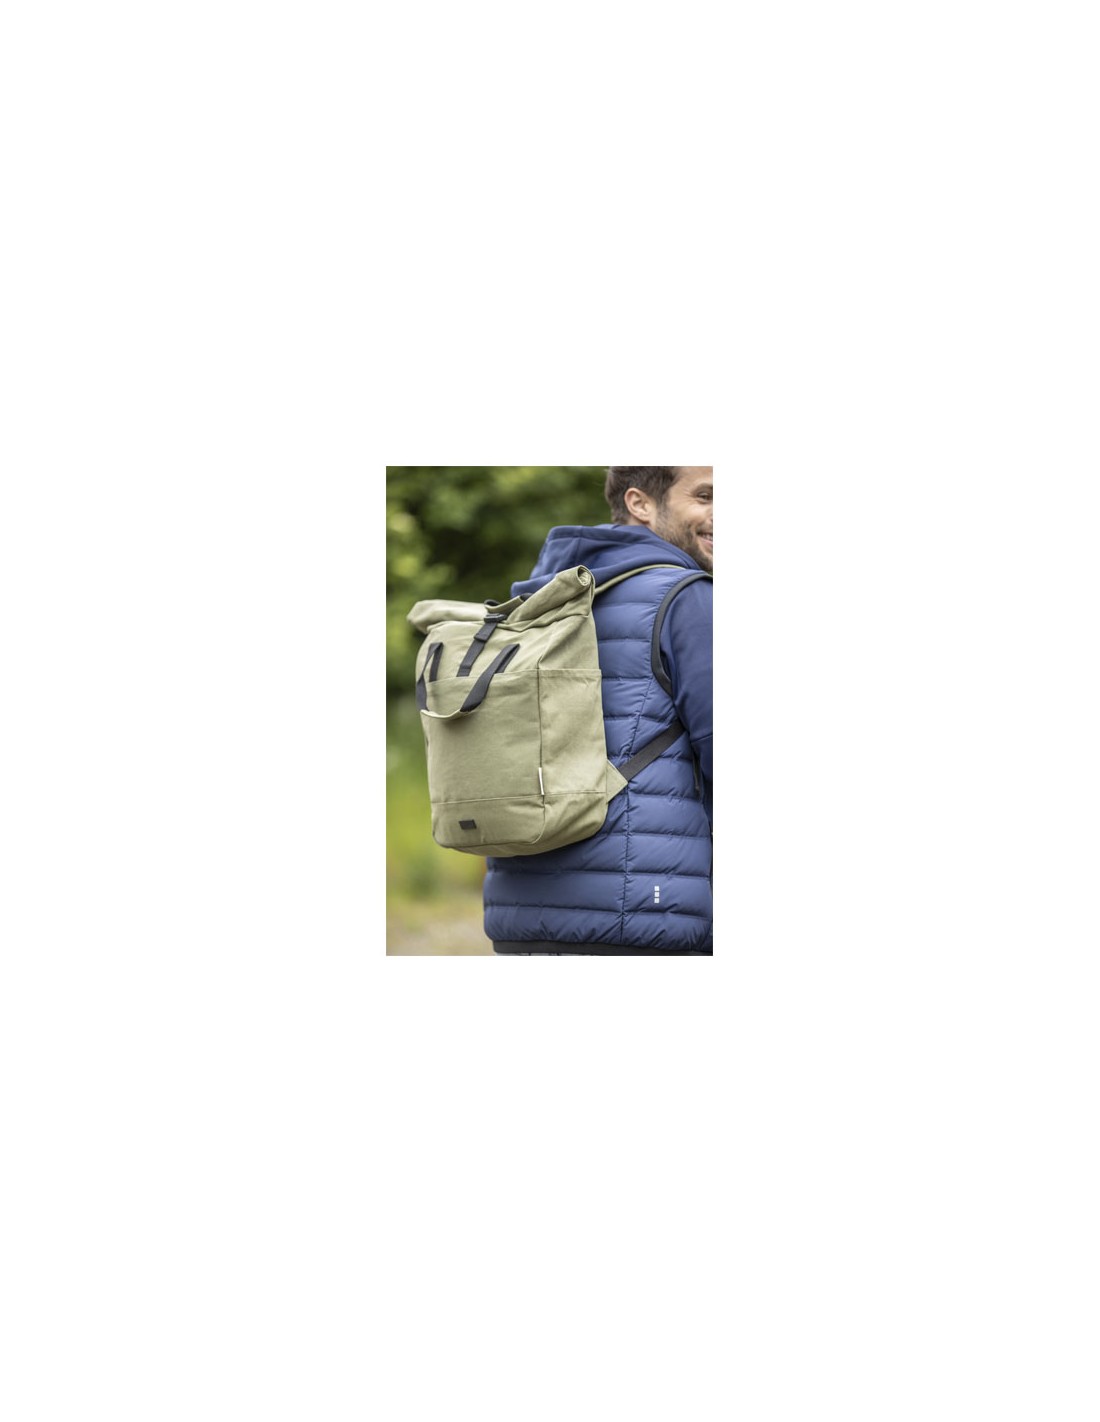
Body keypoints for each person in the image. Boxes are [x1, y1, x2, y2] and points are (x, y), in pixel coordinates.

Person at [484, 466, 713, 955]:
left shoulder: (539, 601)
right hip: (651, 913)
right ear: (640, 503)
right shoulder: (686, 598)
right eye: (705, 496)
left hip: (522, 915)